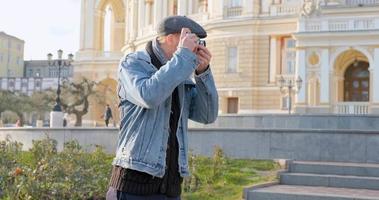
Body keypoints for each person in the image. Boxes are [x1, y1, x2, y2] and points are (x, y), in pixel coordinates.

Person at [106, 16, 218, 200]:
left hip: (170, 188)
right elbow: (149, 96)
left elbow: (207, 116)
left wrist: (202, 73)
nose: (196, 45)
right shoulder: (133, 63)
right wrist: (183, 57)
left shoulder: (181, 71)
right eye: (191, 38)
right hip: (134, 186)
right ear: (171, 38)